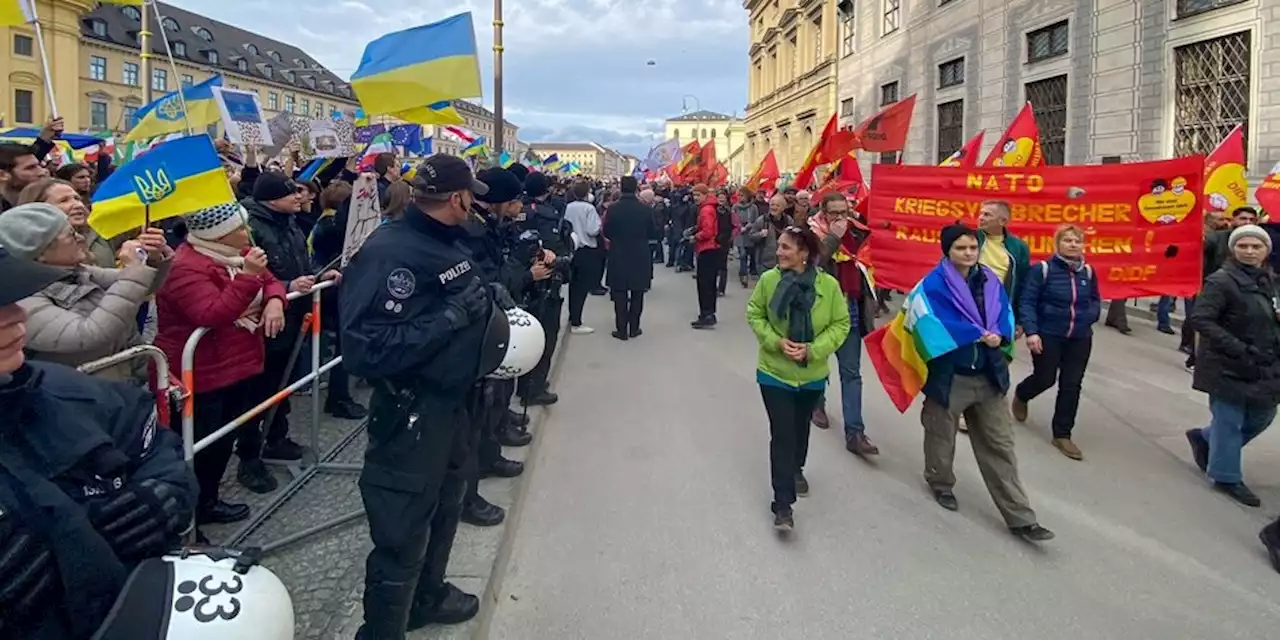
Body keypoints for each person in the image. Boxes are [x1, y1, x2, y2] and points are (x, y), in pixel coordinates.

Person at [0, 246, 199, 638]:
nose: (16, 317)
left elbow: (158, 447)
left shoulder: (66, 388)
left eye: (10, 299)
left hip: (131, 612)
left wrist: (162, 495)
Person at [341, 155, 500, 638]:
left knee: (446, 504)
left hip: (452, 404)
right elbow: (364, 349)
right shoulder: (390, 251)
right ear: (457, 199)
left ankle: (426, 598)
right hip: (410, 413)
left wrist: (491, 297)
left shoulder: (444, 240)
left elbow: (452, 295)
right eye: (471, 195)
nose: (474, 204)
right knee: (401, 530)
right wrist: (447, 321)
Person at [917, 223, 1054, 542]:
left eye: (972, 248)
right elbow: (927, 324)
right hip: (951, 376)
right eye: (960, 248)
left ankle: (1020, 516)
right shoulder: (933, 286)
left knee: (1000, 444)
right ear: (947, 251)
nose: (968, 253)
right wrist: (970, 334)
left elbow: (1003, 313)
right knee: (941, 436)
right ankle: (940, 482)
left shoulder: (990, 281)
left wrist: (1000, 334)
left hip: (989, 375)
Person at [155, 202, 289, 526]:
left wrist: (274, 301)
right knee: (201, 444)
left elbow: (271, 279)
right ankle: (191, 516)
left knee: (222, 439)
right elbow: (210, 314)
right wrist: (247, 278)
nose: (248, 232)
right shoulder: (186, 266)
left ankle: (209, 500)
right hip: (203, 371)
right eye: (241, 227)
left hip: (236, 361)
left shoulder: (237, 253)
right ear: (219, 233)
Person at [747, 225, 850, 532]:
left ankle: (796, 468)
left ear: (804, 254)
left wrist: (813, 350)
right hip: (774, 373)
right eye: (779, 246)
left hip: (812, 374)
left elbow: (840, 325)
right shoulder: (768, 280)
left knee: (800, 426)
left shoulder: (828, 286)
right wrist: (775, 342)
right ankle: (782, 505)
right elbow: (755, 313)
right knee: (782, 433)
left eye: (786, 247)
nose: (778, 252)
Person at [238, 172, 338, 485]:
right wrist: (285, 286)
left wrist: (317, 277)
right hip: (265, 321)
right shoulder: (252, 227)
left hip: (294, 315)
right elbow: (250, 275)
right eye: (291, 193)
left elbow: (299, 264)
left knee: (283, 383)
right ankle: (249, 455)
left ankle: (277, 437)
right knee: (257, 391)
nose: (300, 196)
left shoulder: (289, 223)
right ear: (271, 199)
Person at [0, 203, 172, 381]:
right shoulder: (24, 298)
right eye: (71, 235)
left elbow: (142, 286)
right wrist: (134, 270)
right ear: (41, 252)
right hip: (79, 396)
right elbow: (88, 335)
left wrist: (152, 259)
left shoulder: (74, 271)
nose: (81, 238)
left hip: (124, 384)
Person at [1184, 224, 1280, 508]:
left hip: (1264, 364)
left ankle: (1204, 439)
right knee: (1229, 420)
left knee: (1261, 417)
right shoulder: (1220, 281)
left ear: (1266, 251)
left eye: (1256, 247)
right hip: (1227, 363)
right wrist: (1238, 347)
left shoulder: (1270, 281)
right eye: (1243, 246)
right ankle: (1226, 476)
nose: (1249, 252)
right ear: (1233, 249)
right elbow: (1202, 319)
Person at [458, 167, 531, 528]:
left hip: (491, 325)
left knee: (490, 403)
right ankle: (466, 496)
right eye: (514, 201)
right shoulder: (472, 229)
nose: (519, 207)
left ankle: (489, 456)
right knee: (474, 416)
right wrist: (525, 274)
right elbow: (488, 277)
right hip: (476, 331)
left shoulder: (486, 226)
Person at [1012, 224, 1101, 460]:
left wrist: (1089, 317)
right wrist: (1031, 331)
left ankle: (1062, 434)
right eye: (1068, 240)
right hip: (1048, 334)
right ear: (1058, 244)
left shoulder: (1088, 272)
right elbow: (1028, 301)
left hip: (1080, 338)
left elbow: (1094, 300)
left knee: (1072, 384)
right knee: (1046, 377)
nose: (1073, 245)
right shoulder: (1042, 270)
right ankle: (1022, 393)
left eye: (1077, 241)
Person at [808, 193, 879, 456]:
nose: (840, 217)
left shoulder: (859, 233)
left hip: (852, 310)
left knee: (851, 373)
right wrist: (834, 237)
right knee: (818, 364)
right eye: (834, 213)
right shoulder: (812, 233)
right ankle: (816, 403)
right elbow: (812, 264)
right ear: (823, 213)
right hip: (823, 312)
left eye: (844, 212)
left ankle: (855, 433)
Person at [516, 172, 572, 406]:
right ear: (546, 190)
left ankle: (525, 384)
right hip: (543, 283)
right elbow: (553, 251)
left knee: (524, 335)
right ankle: (534, 387)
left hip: (520, 282)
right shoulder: (548, 214)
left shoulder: (518, 211)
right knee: (544, 337)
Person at [602, 176, 659, 340]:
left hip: (618, 253)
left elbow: (606, 231)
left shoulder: (613, 209)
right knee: (637, 292)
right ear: (636, 189)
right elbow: (652, 232)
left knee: (619, 292)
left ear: (621, 187)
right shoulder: (646, 209)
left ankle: (621, 329)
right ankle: (634, 327)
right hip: (640, 254)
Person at [18, 176, 115, 267]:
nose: (78, 205)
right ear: (39, 209)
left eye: (77, 198)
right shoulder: (33, 248)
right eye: (64, 201)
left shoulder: (98, 231)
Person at [564, 181, 603, 335]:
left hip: (572, 248)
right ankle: (576, 322)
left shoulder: (568, 207)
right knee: (582, 287)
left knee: (573, 285)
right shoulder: (589, 208)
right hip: (586, 249)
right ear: (587, 193)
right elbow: (592, 230)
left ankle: (572, 315)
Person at [691, 185, 723, 329]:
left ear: (705, 195)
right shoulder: (710, 207)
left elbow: (708, 232)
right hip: (712, 249)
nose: (695, 198)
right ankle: (708, 313)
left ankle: (707, 314)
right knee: (708, 283)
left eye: (698, 195)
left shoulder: (706, 210)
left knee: (704, 284)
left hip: (707, 249)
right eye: (694, 195)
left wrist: (695, 237)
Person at [734, 186, 761, 288]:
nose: (740, 198)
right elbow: (733, 219)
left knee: (751, 253)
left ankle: (753, 270)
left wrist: (749, 226)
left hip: (750, 233)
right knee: (742, 255)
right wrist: (740, 227)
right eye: (739, 195)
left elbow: (756, 220)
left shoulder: (753, 208)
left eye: (742, 195)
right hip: (740, 233)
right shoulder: (735, 207)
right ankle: (743, 275)